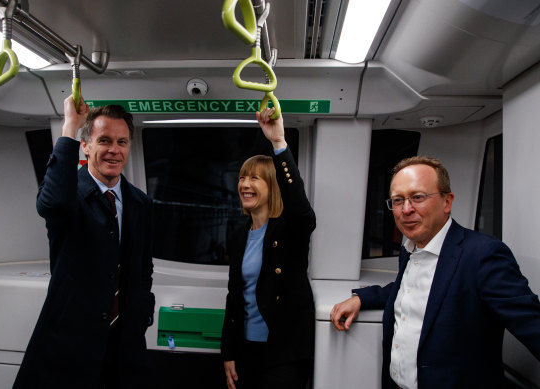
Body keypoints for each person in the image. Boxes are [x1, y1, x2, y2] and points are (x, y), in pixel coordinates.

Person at [330, 156, 540, 389]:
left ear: (447, 202)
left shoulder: (483, 255)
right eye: (398, 200)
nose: (406, 209)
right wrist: (362, 297)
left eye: (418, 197)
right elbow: (412, 289)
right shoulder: (411, 249)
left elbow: (531, 323)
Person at [14, 96, 155, 388]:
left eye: (122, 142)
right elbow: (51, 204)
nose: (114, 150)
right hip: (71, 341)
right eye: (104, 141)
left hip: (123, 344)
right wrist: (70, 127)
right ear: (86, 146)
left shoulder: (140, 203)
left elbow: (143, 268)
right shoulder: (70, 197)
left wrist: (141, 315)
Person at [220, 107, 316, 389]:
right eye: (241, 177)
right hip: (246, 349)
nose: (244, 184)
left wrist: (278, 143)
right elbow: (234, 298)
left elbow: (300, 208)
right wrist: (228, 352)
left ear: (272, 186)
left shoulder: (290, 229)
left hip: (284, 353)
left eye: (254, 178)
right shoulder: (239, 235)